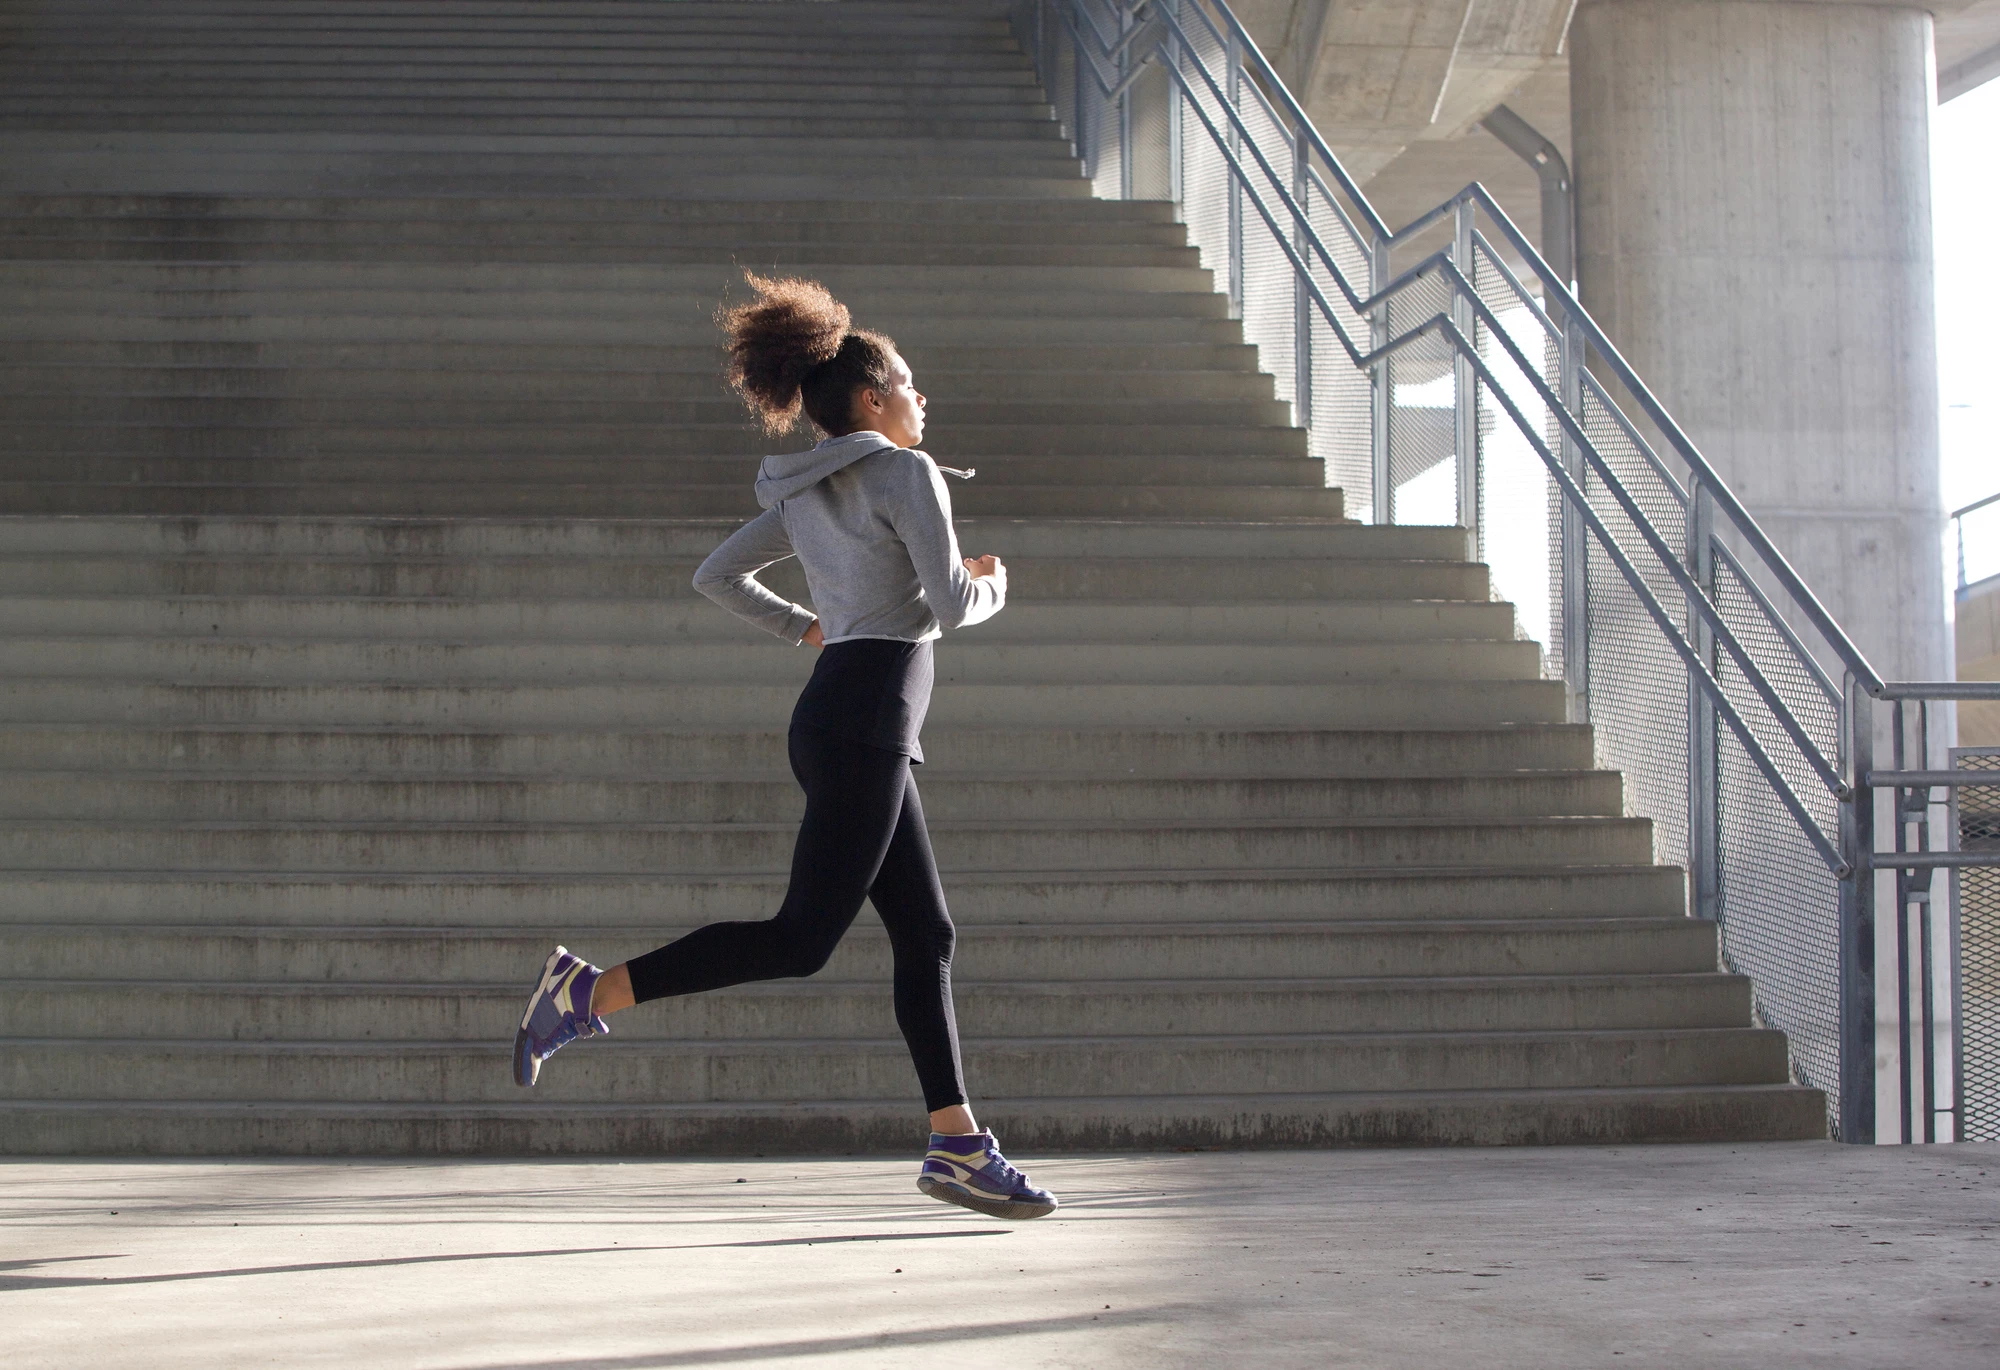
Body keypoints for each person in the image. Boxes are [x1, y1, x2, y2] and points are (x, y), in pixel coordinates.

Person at [510, 272, 1057, 1221]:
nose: (923, 402)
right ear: (874, 398)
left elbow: (716, 574)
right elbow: (955, 608)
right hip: (869, 717)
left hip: (843, 713)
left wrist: (813, 630)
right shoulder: (903, 470)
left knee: (926, 933)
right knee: (802, 940)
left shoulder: (813, 488)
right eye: (911, 387)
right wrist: (993, 577)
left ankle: (958, 1143)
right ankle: (588, 993)